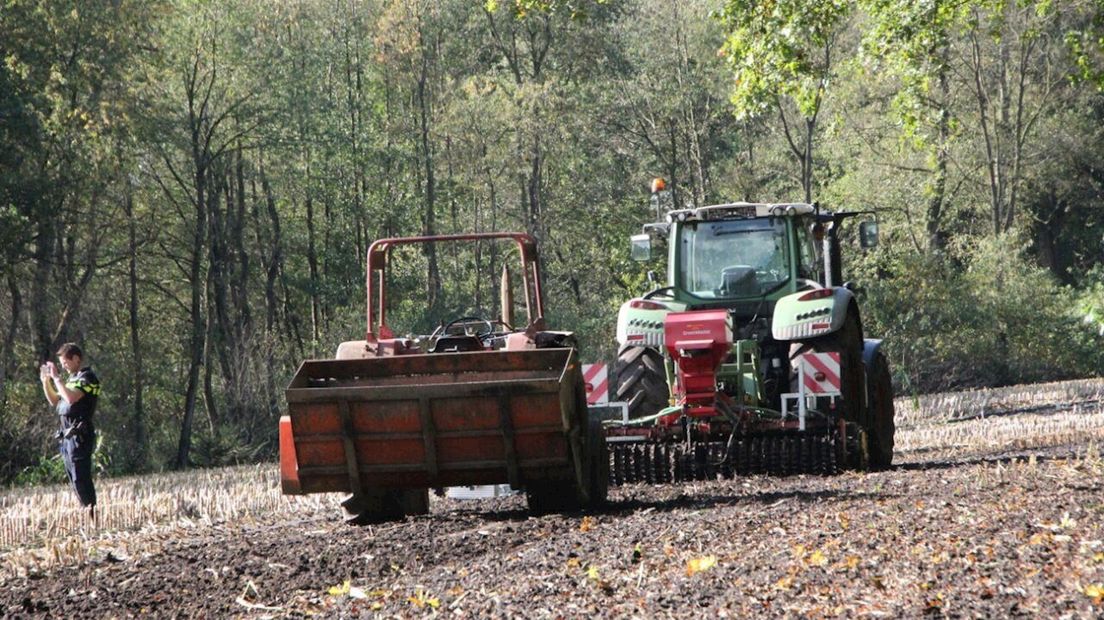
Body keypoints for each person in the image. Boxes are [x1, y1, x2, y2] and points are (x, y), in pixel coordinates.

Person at [40, 342, 100, 524]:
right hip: (67, 438)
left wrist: (57, 379)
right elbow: (54, 401)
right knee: (74, 479)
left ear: (76, 359)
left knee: (81, 478)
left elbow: (71, 398)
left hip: (80, 436)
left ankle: (93, 519)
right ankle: (86, 515)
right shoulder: (71, 380)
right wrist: (46, 381)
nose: (63, 366)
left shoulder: (87, 378)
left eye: (65, 362)